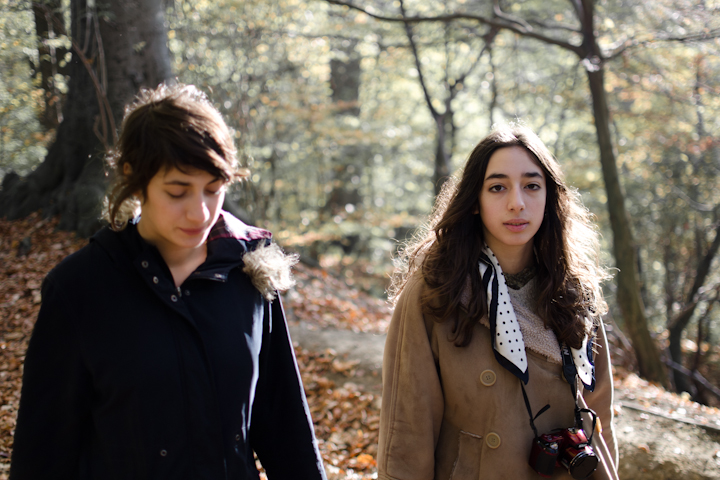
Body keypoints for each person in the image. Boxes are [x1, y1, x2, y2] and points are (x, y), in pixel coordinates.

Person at [11, 83, 327, 480]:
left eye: (213, 190)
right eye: (178, 192)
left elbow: (285, 424)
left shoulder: (250, 269)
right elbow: (43, 451)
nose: (200, 212)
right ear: (134, 178)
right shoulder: (79, 288)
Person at [378, 125, 619, 480]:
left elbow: (600, 418)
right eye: (497, 187)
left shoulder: (574, 293)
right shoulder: (437, 291)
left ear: (549, 197)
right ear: (475, 201)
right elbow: (407, 427)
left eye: (532, 186)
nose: (517, 202)